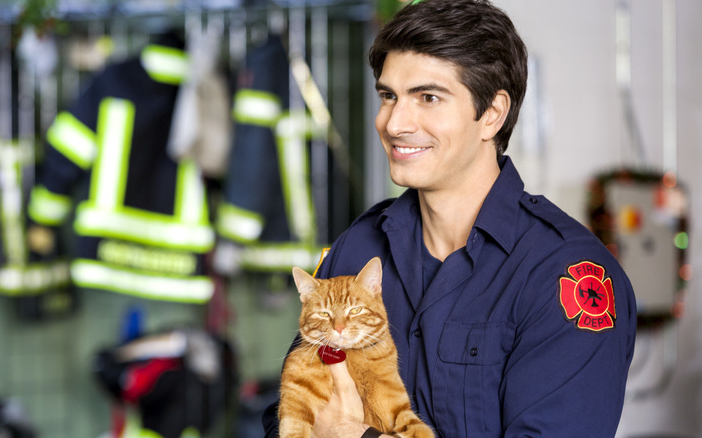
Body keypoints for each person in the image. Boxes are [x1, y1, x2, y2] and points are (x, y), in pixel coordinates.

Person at [262, 0, 637, 437]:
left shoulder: (564, 278)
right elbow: (287, 414)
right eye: (388, 96)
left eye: (428, 97)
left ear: (492, 114)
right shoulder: (360, 246)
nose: (394, 123)